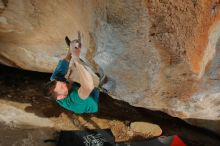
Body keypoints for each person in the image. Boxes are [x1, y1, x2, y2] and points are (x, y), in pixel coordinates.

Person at [45, 38, 100, 114]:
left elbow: (63, 82)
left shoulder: (56, 84)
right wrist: (76, 58)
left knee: (56, 78)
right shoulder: (73, 98)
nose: (63, 83)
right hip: (91, 104)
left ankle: (70, 50)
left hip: (73, 93)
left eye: (60, 82)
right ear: (60, 97)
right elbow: (89, 86)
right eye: (61, 87)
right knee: (95, 89)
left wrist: (71, 50)